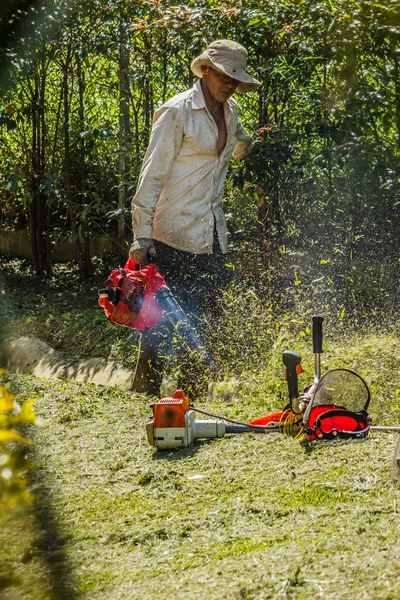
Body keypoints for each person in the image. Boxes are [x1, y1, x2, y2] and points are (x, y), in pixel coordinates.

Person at [129, 39, 261, 395]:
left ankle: (192, 393)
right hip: (171, 231)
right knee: (163, 318)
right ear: (205, 70)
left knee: (206, 314)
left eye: (235, 78)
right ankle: (145, 389)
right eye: (223, 75)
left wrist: (251, 144)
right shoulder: (177, 111)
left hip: (210, 231)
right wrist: (141, 236)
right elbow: (151, 174)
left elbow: (234, 144)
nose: (230, 83)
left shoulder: (229, 111)